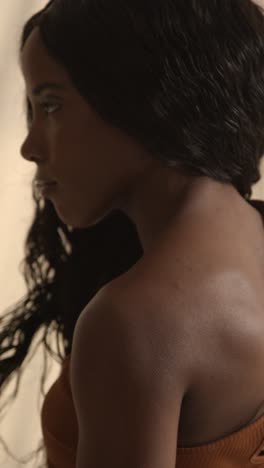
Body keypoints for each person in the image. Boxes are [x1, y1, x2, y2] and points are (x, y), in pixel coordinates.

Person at [2, 0, 264, 466]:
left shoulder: (134, 323)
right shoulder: (253, 237)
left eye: (51, 105)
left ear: (143, 100)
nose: (29, 146)